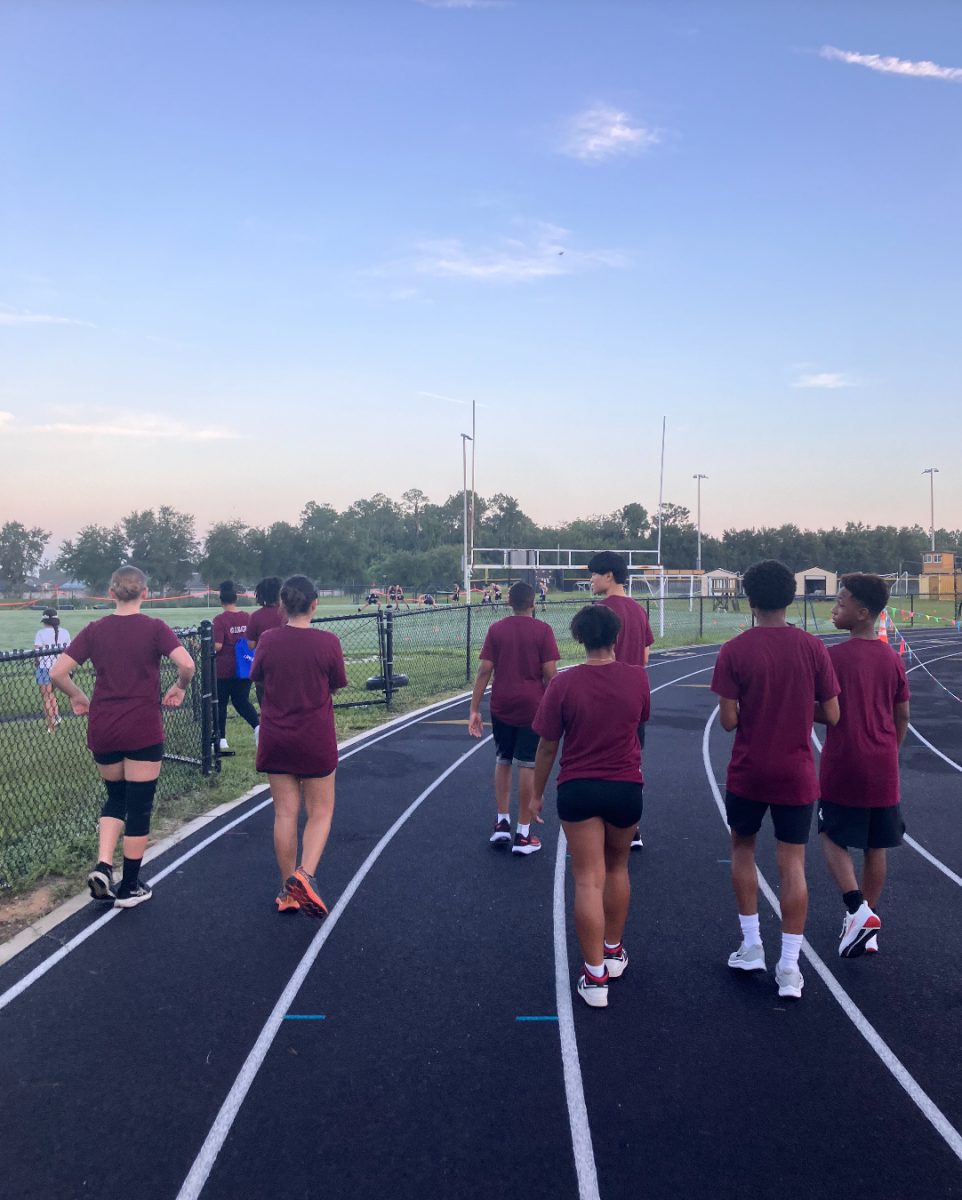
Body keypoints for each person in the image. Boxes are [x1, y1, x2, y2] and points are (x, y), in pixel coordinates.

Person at [710, 559, 840, 1000]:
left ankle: (751, 946)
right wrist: (799, 709)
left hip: (749, 770)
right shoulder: (813, 648)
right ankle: (789, 967)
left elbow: (727, 721)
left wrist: (756, 707)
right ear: (791, 597)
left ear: (749, 599)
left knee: (742, 849)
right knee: (793, 863)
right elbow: (834, 714)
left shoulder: (734, 650)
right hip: (796, 771)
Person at [50, 566, 195, 907]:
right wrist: (179, 687)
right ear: (145, 593)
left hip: (104, 727)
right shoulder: (155, 628)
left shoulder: (95, 630)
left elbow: (58, 672)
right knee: (139, 806)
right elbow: (186, 665)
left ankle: (103, 866)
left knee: (115, 797)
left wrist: (77, 695)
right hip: (141, 727)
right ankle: (130, 886)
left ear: (111, 593)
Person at [531, 605, 650, 1008]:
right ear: (616, 637)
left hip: (578, 789)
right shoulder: (638, 679)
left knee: (587, 879)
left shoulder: (563, 685)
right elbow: (638, 724)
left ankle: (594, 975)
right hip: (625, 788)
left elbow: (547, 745)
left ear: (578, 639)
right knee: (618, 867)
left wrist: (534, 794)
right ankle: (614, 951)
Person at [816, 574, 910, 957]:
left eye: (841, 602)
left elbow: (828, 713)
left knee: (830, 833)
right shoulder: (891, 658)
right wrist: (891, 748)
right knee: (876, 844)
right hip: (883, 763)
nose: (835, 608)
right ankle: (867, 926)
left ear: (863, 612)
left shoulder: (833, 658)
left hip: (844, 762)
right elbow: (902, 714)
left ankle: (856, 909)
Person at [251, 575, 348, 916]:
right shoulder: (327, 642)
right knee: (320, 811)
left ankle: (288, 891)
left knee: (285, 813)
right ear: (314, 604)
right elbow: (336, 684)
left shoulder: (268, 639)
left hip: (277, 736)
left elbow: (259, 678)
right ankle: (305, 875)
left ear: (282, 605)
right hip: (314, 737)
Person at [468, 582, 560, 854]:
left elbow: (485, 670)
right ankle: (523, 833)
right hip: (532, 705)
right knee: (528, 764)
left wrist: (474, 708)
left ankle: (501, 822)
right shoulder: (543, 631)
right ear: (533, 603)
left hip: (502, 704)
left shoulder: (496, 629)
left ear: (509, 602)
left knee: (503, 758)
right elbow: (551, 674)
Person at [588, 551, 655, 850]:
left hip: (601, 698)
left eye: (593, 574)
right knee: (632, 763)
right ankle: (633, 828)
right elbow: (644, 656)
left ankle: (598, 825)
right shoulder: (639, 611)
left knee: (595, 765)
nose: (590, 580)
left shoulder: (600, 611)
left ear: (609, 576)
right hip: (632, 699)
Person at [212, 581, 259, 752]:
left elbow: (217, 645)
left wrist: (203, 647)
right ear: (236, 599)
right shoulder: (247, 617)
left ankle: (221, 739)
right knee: (241, 700)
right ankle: (258, 727)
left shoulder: (219, 620)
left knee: (220, 703)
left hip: (224, 668)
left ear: (221, 601)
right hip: (245, 665)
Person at [246, 576, 284, 707]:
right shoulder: (288, 614)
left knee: (267, 704)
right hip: (288, 663)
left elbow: (251, 645)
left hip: (265, 667)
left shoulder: (255, 617)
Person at [34, 607, 70, 733]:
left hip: (45, 668)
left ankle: (51, 726)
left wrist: (37, 663)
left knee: (46, 696)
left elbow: (37, 652)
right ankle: (56, 716)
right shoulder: (65, 632)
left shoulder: (40, 633)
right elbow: (68, 651)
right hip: (60, 669)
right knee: (51, 694)